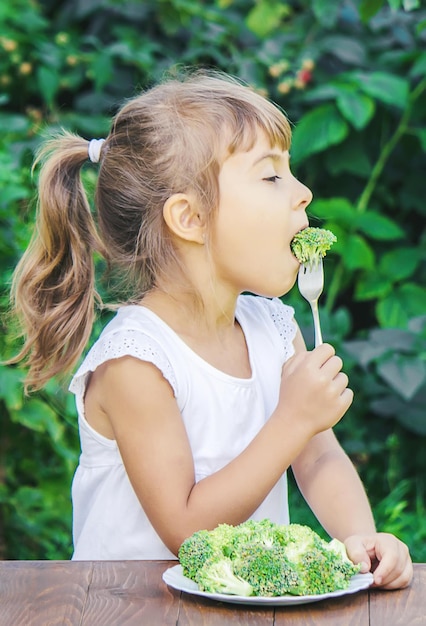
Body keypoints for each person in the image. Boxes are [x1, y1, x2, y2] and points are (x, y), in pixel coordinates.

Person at [10, 69, 412, 589]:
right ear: (191, 218)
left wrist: (362, 540)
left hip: (236, 605)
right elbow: (184, 529)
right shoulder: (136, 362)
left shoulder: (273, 326)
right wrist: (292, 419)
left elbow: (317, 455)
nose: (304, 193)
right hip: (127, 609)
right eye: (272, 177)